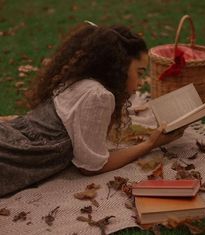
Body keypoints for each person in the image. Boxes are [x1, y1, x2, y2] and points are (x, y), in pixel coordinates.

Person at [0, 22, 184, 197]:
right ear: (120, 67)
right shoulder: (98, 96)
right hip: (11, 156)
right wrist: (150, 144)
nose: (141, 81)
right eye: (140, 72)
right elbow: (90, 167)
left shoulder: (80, 78)